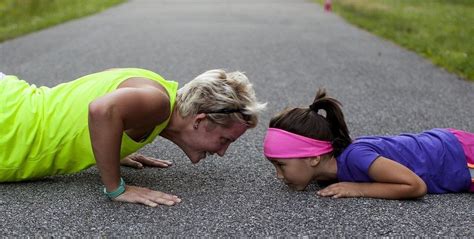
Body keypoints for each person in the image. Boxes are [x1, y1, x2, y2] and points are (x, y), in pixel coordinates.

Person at [0, 68, 266, 207]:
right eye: (225, 140)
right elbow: (101, 109)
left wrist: (112, 146)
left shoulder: (155, 89)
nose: (222, 152)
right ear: (200, 121)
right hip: (9, 126)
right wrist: (117, 188)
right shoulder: (158, 103)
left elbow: (89, 97)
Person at [263, 88, 473, 200]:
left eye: (281, 165)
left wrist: (359, 189)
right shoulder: (327, 173)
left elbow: (415, 186)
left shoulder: (356, 157)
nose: (279, 175)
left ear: (314, 157)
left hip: (460, 156)